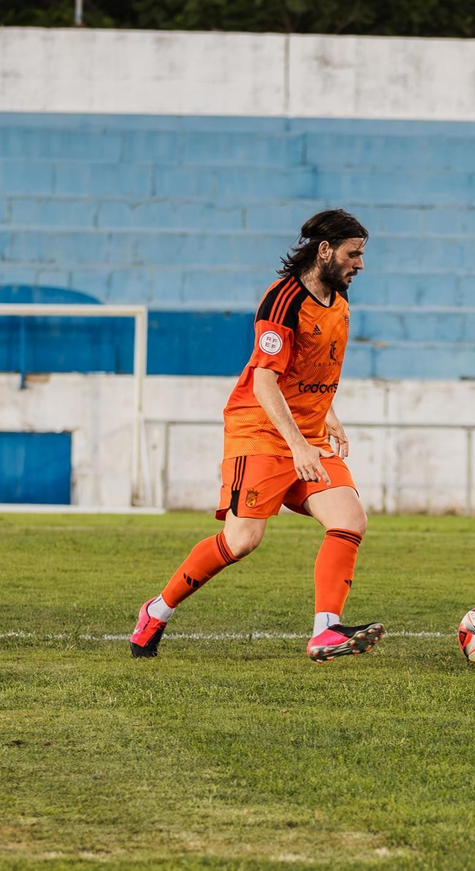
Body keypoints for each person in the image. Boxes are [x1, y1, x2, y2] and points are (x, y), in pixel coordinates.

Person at [129, 210, 382, 662]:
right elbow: (266, 382)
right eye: (354, 253)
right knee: (241, 541)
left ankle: (325, 631)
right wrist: (299, 443)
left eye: (361, 254)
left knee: (349, 519)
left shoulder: (340, 301)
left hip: (307, 432)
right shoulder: (283, 300)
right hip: (261, 431)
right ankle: (157, 610)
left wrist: (329, 416)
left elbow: (308, 368)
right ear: (325, 251)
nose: (360, 264)